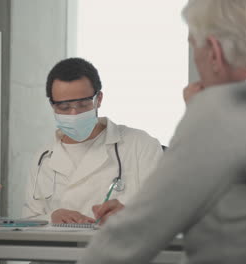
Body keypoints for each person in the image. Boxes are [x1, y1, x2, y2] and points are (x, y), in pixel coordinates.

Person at [78, 0, 246, 263]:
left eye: (194, 47)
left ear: (214, 52)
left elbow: (126, 241)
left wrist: (200, 115)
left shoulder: (222, 109)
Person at [22, 58, 163, 225]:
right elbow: (29, 220)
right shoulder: (43, 158)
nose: (74, 114)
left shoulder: (140, 145)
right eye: (64, 107)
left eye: (83, 104)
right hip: (59, 250)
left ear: (99, 99)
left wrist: (130, 215)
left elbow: (168, 210)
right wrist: (51, 217)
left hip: (118, 247)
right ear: (53, 106)